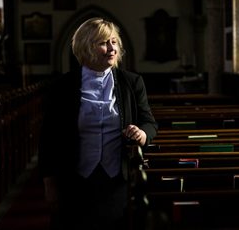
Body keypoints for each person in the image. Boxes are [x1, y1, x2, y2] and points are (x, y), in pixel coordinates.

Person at [38, 17, 158, 230]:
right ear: (86, 47)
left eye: (114, 42)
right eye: (103, 43)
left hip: (117, 179)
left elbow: (149, 122)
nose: (112, 48)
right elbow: (48, 139)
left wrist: (142, 133)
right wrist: (49, 184)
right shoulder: (62, 87)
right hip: (74, 179)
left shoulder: (132, 82)